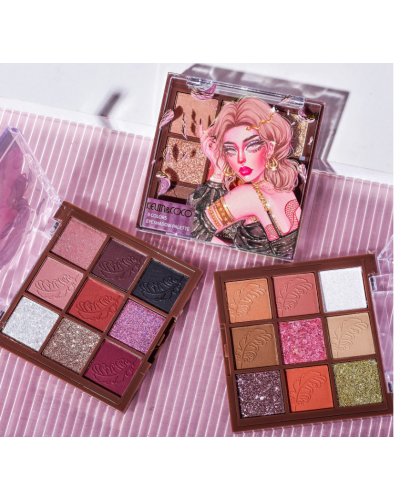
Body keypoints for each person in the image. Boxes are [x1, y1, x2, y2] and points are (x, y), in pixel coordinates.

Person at [187, 97, 301, 259]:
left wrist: (218, 173)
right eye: (230, 150)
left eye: (251, 146)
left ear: (270, 148)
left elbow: (187, 226)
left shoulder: (250, 195)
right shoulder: (284, 191)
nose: (240, 159)